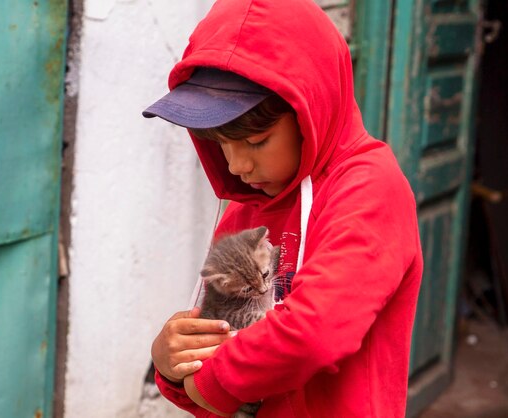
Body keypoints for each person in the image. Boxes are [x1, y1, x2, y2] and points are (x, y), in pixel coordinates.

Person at [142, 0, 423, 416]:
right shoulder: (248, 207)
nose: (238, 166)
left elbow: (316, 331)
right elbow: (217, 349)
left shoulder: (369, 188)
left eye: (256, 142)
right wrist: (172, 363)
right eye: (221, 142)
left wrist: (216, 380)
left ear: (311, 108)